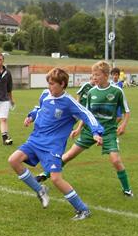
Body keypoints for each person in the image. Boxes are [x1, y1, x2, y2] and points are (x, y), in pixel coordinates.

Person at [7, 67, 104, 221]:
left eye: (52, 84)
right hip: (35, 139)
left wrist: (96, 132)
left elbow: (87, 114)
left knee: (56, 179)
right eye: (48, 83)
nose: (49, 87)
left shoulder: (69, 102)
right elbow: (38, 108)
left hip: (52, 145)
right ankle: (40, 190)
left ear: (62, 84)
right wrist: (31, 116)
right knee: (13, 160)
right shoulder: (45, 94)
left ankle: (83, 210)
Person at [36, 61, 133, 197]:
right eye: (93, 75)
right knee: (69, 155)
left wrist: (123, 125)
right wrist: (79, 129)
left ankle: (127, 189)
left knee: (115, 160)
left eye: (97, 75)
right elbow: (86, 114)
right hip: (89, 131)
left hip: (109, 131)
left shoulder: (117, 91)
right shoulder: (92, 92)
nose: (94, 78)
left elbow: (126, 111)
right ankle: (45, 174)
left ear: (106, 75)